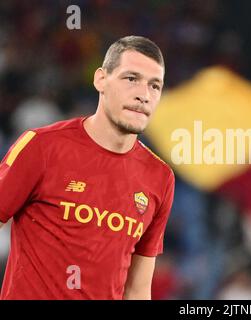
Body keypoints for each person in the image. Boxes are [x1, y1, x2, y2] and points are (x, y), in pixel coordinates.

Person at [0, 35, 175, 300]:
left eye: (155, 86)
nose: (144, 95)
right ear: (101, 79)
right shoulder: (41, 147)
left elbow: (138, 289)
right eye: (131, 79)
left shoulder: (160, 177)